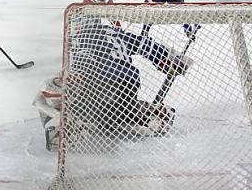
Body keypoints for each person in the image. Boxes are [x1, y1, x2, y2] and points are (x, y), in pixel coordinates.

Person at [34, 19, 192, 151]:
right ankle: (152, 114)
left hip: (99, 85)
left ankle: (61, 128)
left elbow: (83, 57)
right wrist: (169, 58)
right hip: (127, 87)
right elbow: (146, 44)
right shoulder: (119, 33)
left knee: (49, 87)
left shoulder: (81, 35)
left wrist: (74, 75)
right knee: (115, 117)